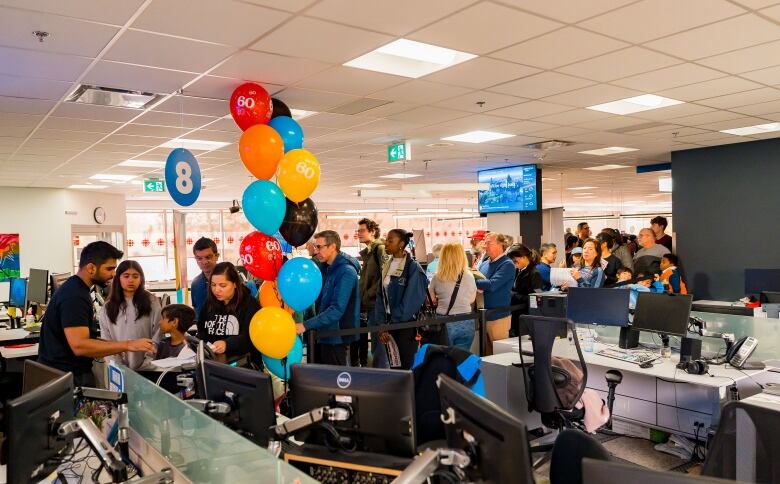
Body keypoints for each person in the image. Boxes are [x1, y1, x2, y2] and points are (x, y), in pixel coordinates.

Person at [38, 241, 155, 386]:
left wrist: (116, 346)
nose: (113, 274)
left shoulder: (78, 290)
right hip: (67, 378)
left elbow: (87, 338)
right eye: (109, 269)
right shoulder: (75, 297)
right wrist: (128, 345)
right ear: (91, 268)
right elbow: (80, 346)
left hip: (67, 374)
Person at [297, 230, 360, 366]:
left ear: (332, 247)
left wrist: (305, 325)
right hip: (325, 333)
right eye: (315, 246)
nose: (316, 250)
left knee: (336, 382)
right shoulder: (327, 268)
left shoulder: (346, 272)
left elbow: (337, 309)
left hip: (337, 337)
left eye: (319, 247)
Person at [374, 229, 428, 369]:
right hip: (388, 326)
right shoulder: (386, 265)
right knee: (394, 366)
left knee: (406, 366)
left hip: (406, 327)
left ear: (401, 243)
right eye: (386, 240)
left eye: (390, 241)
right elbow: (380, 296)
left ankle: (410, 391)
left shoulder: (413, 268)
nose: (386, 243)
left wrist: (390, 323)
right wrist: (381, 324)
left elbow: (411, 302)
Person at [98, 260, 161, 370]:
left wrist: (147, 364)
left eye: (135, 276)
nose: (131, 280)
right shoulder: (108, 307)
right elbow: (106, 341)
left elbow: (158, 333)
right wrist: (119, 368)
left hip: (148, 367)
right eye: (126, 276)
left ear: (141, 279)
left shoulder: (152, 302)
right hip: (118, 369)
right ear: (118, 278)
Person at [198, 262, 261, 365]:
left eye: (222, 285)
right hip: (214, 363)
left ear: (235, 284)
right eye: (213, 285)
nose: (216, 290)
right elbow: (202, 331)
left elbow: (251, 338)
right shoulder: (209, 303)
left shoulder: (250, 305)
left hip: (244, 366)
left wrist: (227, 344)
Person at [429, 243, 477, 351]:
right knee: (462, 357)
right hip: (466, 320)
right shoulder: (469, 276)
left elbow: (431, 300)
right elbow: (471, 299)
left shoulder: (437, 277)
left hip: (444, 322)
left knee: (445, 359)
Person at [475, 232, 515, 355]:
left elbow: (492, 285)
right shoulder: (485, 263)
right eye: (485, 243)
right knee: (487, 355)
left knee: (500, 355)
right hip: (483, 315)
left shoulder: (507, 264)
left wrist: (473, 281)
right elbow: (483, 282)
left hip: (499, 317)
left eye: (488, 243)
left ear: (500, 245)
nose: (485, 246)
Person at [354, 218, 384, 367]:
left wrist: (371, 294)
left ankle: (381, 382)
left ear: (372, 232)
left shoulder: (380, 249)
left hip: (377, 306)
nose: (359, 233)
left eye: (362, 230)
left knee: (380, 348)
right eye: (358, 230)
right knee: (377, 347)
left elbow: (386, 277)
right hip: (371, 306)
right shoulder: (369, 252)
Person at [507, 244, 542, 336]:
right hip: (513, 313)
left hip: (525, 316)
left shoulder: (535, 273)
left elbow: (535, 299)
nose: (514, 263)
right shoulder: (516, 270)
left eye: (515, 260)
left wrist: (513, 295)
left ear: (523, 257)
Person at [191, 237, 219, 320]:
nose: (204, 262)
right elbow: (197, 312)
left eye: (208, 257)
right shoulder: (195, 284)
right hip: (203, 331)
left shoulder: (229, 279)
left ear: (216, 256)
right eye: (199, 258)